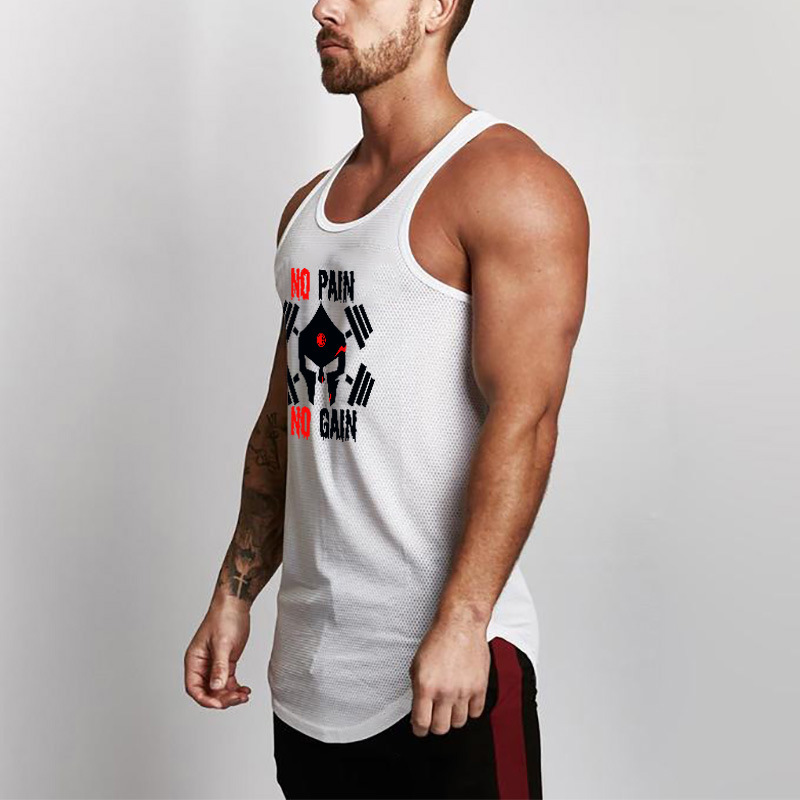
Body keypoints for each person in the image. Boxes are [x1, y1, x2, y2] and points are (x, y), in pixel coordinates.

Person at [184, 0, 589, 797]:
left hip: (450, 672)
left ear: (435, 8)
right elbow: (287, 418)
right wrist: (234, 594)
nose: (324, 8)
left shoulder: (509, 183)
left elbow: (528, 418)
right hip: (310, 679)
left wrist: (465, 622)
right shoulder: (306, 212)